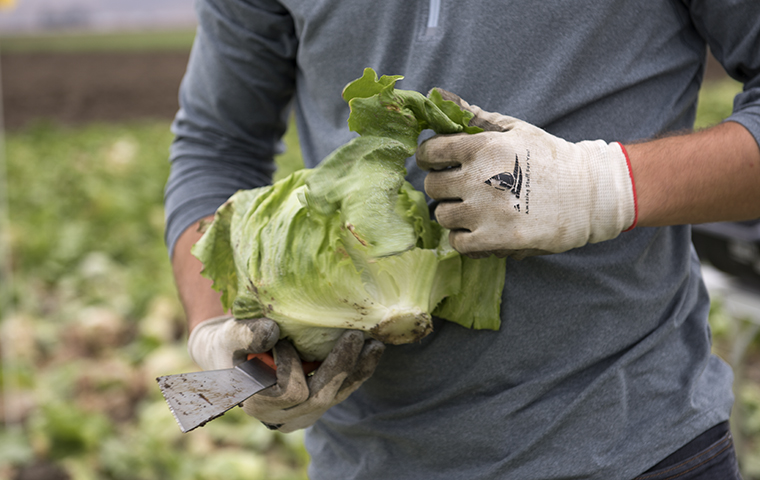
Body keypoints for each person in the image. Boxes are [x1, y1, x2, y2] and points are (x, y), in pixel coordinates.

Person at [164, 1, 760, 479]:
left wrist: (601, 186)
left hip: (639, 449)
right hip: (360, 460)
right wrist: (214, 334)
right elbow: (217, 145)